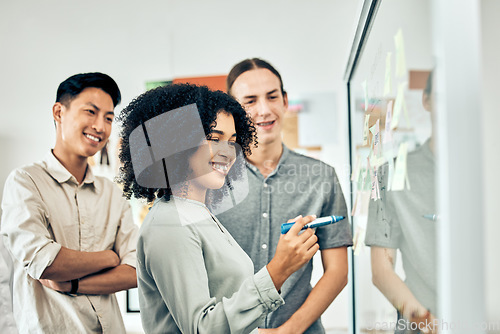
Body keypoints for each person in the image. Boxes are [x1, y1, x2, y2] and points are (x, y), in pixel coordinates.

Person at [118, 83, 320, 334]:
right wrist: (278, 270)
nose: (228, 152)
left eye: (233, 141)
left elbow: (225, 307)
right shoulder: (169, 223)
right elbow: (202, 328)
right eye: (214, 139)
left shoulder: (198, 213)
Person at [216, 58, 352, 333]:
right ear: (232, 111)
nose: (264, 110)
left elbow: (337, 272)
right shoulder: (209, 181)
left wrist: (289, 331)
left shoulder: (322, 176)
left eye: (272, 96)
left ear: (285, 101)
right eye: (250, 101)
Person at [1, 72, 139, 333]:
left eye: (109, 118)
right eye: (91, 112)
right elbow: (46, 263)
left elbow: (134, 272)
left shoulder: (112, 194)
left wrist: (72, 284)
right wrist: (109, 257)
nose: (100, 126)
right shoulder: (25, 182)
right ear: (58, 112)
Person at [366, 72, 438, 334]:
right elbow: (382, 271)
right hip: (421, 325)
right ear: (427, 100)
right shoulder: (390, 174)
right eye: (443, 96)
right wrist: (431, 325)